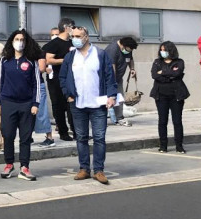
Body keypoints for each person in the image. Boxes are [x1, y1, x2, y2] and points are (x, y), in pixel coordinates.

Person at [59, 26, 119, 185]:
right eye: (73, 36)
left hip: (97, 104)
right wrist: (68, 94)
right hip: (77, 104)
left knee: (99, 137)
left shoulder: (100, 54)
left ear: (86, 37)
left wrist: (112, 96)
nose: (75, 39)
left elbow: (109, 76)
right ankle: (84, 168)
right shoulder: (70, 57)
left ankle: (98, 170)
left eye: (78, 36)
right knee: (81, 137)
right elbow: (63, 77)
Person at [0, 29, 42, 180]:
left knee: (25, 137)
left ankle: (25, 167)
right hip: (8, 102)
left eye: (22, 40)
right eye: (17, 39)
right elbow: (0, 82)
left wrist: (36, 103)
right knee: (8, 134)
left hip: (27, 104)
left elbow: (37, 83)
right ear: (11, 41)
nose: (19, 42)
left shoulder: (31, 61)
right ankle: (9, 164)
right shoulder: (5, 60)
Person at [150, 41, 189, 153]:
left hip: (176, 95)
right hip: (161, 95)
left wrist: (163, 72)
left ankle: (179, 146)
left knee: (177, 121)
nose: (163, 52)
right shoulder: (157, 62)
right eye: (161, 50)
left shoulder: (179, 62)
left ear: (171, 50)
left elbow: (178, 74)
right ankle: (163, 146)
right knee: (162, 121)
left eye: (165, 50)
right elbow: (154, 75)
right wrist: (169, 75)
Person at [43, 19, 76, 142]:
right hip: (56, 79)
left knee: (72, 106)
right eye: (73, 27)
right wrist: (66, 60)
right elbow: (48, 59)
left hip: (71, 79)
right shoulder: (54, 44)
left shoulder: (73, 43)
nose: (74, 30)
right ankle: (63, 132)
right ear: (66, 27)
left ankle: (77, 131)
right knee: (59, 106)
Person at [106, 36, 137, 126]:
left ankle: (119, 118)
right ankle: (100, 119)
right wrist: (113, 82)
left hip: (118, 79)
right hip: (108, 79)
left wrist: (132, 69)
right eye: (128, 50)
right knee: (106, 98)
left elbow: (130, 59)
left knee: (120, 98)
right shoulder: (112, 50)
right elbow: (112, 68)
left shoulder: (127, 50)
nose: (129, 52)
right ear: (123, 45)